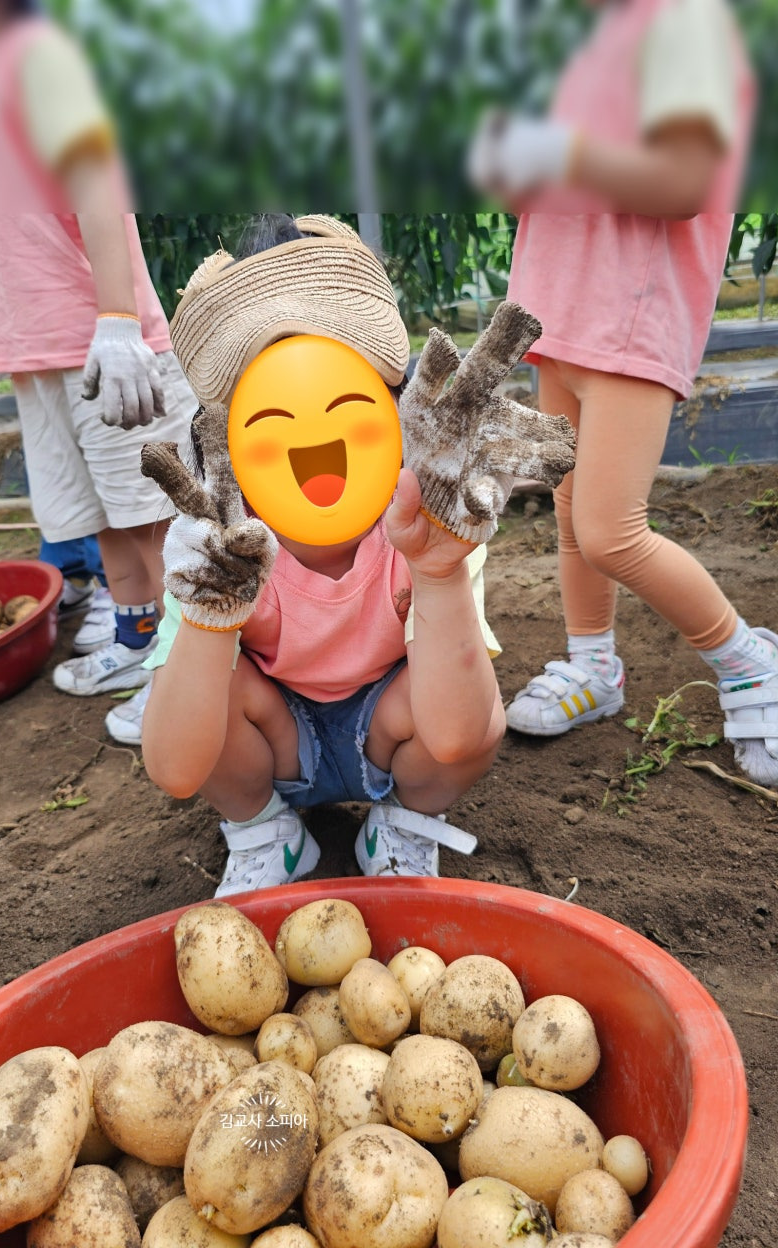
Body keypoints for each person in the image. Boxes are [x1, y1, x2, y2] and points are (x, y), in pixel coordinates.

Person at [140, 215, 576, 896]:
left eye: (338, 398)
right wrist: (206, 617)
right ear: (227, 435)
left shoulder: (432, 516)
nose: (312, 434)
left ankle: (404, 820)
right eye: (276, 409)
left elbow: (461, 737)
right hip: (273, 737)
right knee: (200, 683)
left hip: (391, 730)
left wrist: (439, 574)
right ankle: (264, 831)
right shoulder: (215, 544)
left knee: (477, 708)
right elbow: (174, 766)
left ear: (389, 401)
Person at [469, 0, 778, 788]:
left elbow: (683, 182)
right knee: (570, 513)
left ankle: (758, 662)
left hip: (631, 313)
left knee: (611, 529)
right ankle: (594, 666)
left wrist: (561, 147)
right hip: (562, 311)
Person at [0, 0, 198, 746]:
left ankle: (190, 667)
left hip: (101, 347)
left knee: (154, 519)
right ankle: (140, 646)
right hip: (29, 356)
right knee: (99, 521)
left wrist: (116, 321)